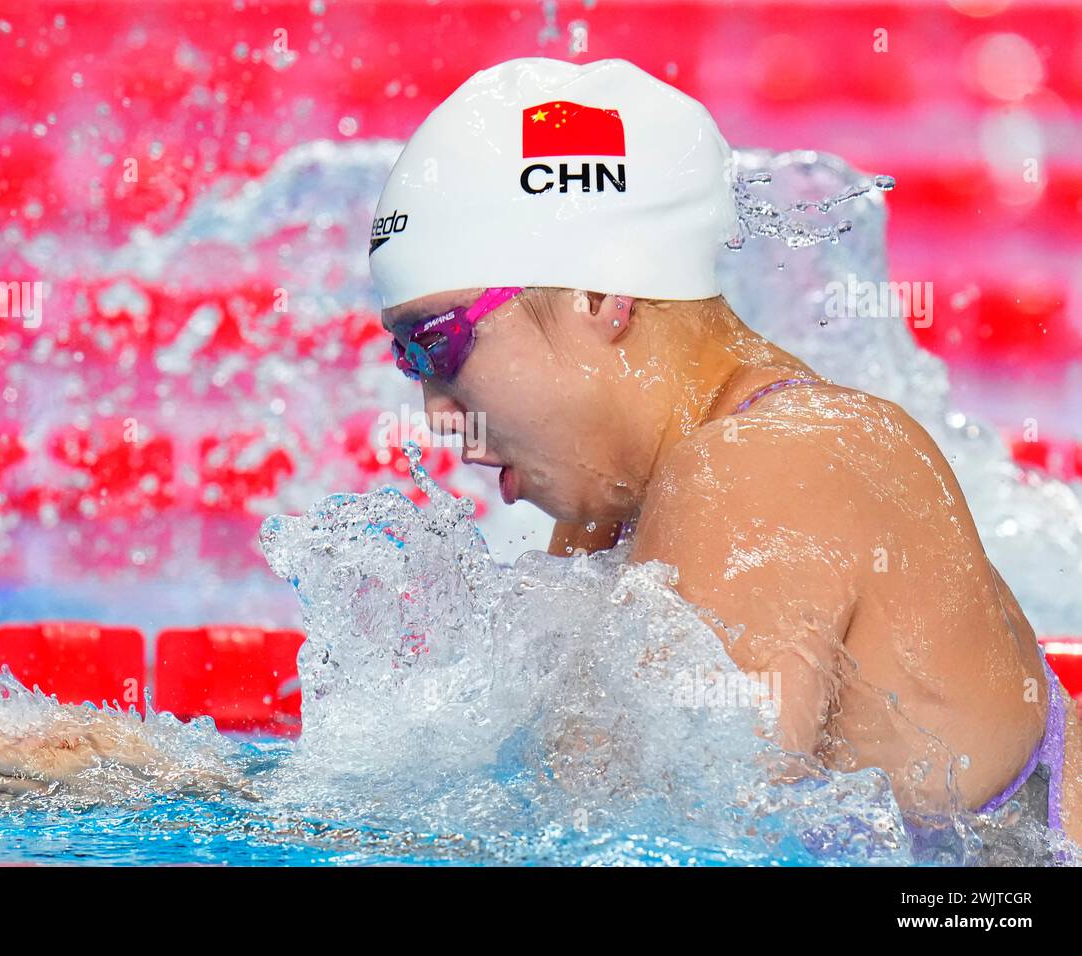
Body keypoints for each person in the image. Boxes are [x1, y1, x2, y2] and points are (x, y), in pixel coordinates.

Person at [372, 57, 1080, 843]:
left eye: (436, 345)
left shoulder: (765, 466)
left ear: (600, 294)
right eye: (407, 362)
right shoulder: (615, 498)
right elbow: (555, 814)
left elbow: (667, 847)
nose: (435, 413)